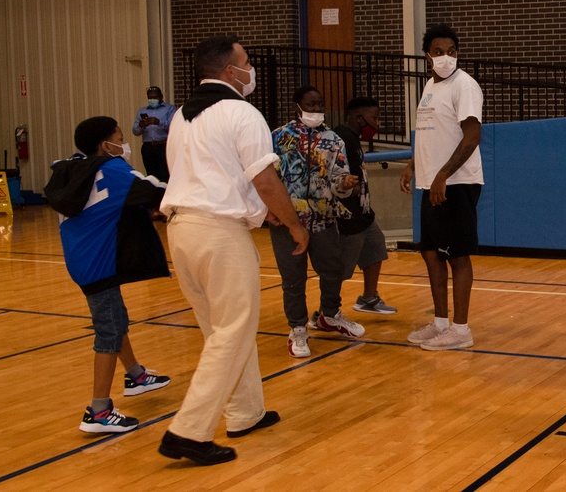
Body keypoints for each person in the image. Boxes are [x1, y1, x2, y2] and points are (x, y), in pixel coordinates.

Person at [157, 35, 309, 466]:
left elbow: (206, 175)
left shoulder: (181, 116)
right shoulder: (242, 112)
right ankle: (188, 432)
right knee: (233, 330)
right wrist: (294, 224)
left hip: (181, 229)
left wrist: (259, 210)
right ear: (230, 71)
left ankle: (245, 412)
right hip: (219, 233)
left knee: (220, 329)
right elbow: (264, 179)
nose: (250, 68)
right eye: (246, 61)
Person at [44, 116, 172, 434]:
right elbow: (157, 191)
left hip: (81, 260)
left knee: (116, 319)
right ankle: (98, 411)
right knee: (109, 331)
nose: (123, 143)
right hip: (98, 264)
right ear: (106, 145)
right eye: (119, 137)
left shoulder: (73, 169)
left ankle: (136, 375)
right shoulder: (111, 170)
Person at [399, 23, 483, 351]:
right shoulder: (430, 86)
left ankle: (461, 330)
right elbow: (430, 133)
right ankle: (440, 323)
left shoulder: (465, 86)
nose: (445, 57)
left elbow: (472, 137)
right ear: (427, 56)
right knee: (431, 253)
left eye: (451, 51)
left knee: (457, 256)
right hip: (431, 182)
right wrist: (413, 164)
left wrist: (443, 175)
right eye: (438, 52)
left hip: (456, 183)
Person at [270, 85, 362, 358]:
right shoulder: (278, 137)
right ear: (297, 107)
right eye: (310, 104)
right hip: (288, 221)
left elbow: (338, 178)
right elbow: (267, 177)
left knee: (332, 269)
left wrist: (345, 184)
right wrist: (268, 209)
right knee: (293, 278)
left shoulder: (333, 140)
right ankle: (298, 328)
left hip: (324, 218)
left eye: (320, 104)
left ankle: (330, 315)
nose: (316, 109)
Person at [333, 96, 397, 317]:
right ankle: (327, 310)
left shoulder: (353, 138)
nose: (377, 124)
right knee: (341, 267)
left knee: (376, 245)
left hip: (363, 213)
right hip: (348, 215)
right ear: (359, 118)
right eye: (375, 118)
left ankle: (369, 298)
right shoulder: (342, 137)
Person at [131, 86, 176, 182]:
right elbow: (135, 131)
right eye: (150, 97)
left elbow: (173, 127)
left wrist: (158, 122)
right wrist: (141, 125)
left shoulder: (169, 109)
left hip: (163, 146)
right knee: (151, 177)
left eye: (154, 97)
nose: (152, 100)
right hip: (148, 147)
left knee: (165, 175)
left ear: (161, 96)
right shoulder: (142, 111)